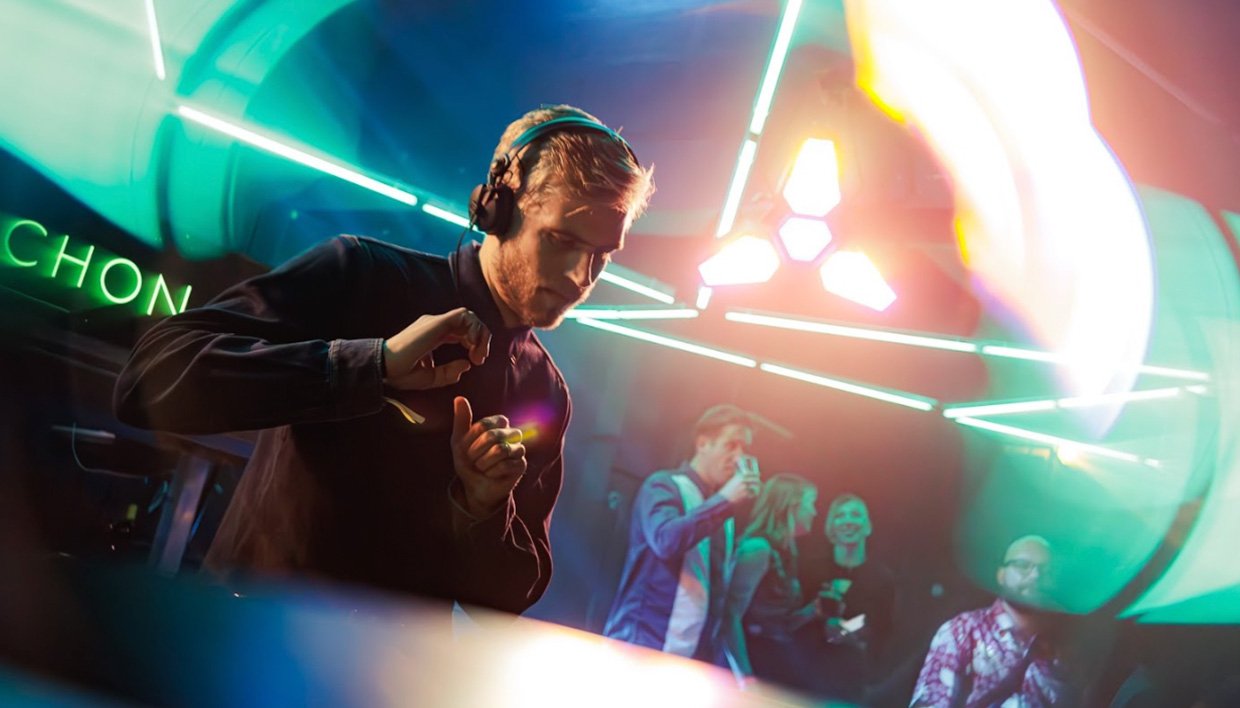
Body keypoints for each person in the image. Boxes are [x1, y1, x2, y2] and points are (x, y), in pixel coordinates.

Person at [113, 104, 655, 614]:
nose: (581, 277)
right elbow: (148, 379)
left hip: (388, 667)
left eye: (601, 255)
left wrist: (484, 509)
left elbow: (511, 596)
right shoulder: (361, 274)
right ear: (499, 206)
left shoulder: (546, 391)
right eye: (561, 240)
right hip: (252, 637)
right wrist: (371, 365)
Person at [603, 403, 762, 666]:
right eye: (731, 445)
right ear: (703, 443)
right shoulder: (664, 485)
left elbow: (716, 595)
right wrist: (724, 501)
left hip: (690, 658)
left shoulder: (725, 510)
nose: (738, 457)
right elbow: (665, 542)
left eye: (744, 448)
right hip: (642, 646)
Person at [910, 535, 1069, 707]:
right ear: (1001, 575)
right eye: (1023, 565)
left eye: (1047, 570)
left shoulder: (1065, 648)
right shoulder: (962, 631)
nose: (1035, 575)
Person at [722, 474, 821, 692]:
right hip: (756, 661)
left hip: (774, 660)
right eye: (810, 503)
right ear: (790, 506)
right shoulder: (759, 549)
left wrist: (811, 612)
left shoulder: (785, 552)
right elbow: (730, 615)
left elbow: (776, 624)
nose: (814, 512)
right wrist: (745, 677)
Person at [813, 493, 896, 702]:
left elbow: (884, 630)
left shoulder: (882, 577)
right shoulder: (811, 570)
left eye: (856, 514)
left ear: (867, 527)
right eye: (840, 515)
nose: (848, 521)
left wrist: (849, 632)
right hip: (809, 676)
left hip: (854, 680)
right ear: (831, 526)